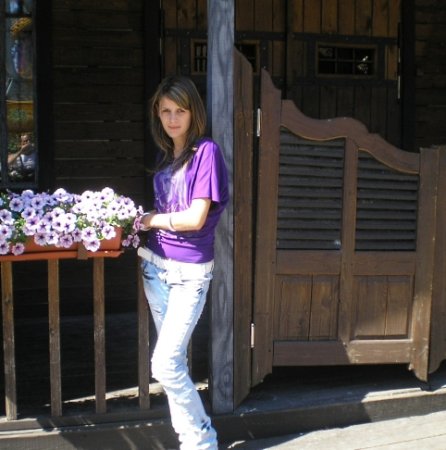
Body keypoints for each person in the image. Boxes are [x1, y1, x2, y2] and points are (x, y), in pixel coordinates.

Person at [138, 75, 228, 450]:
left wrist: (149, 220)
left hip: (188, 274)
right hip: (155, 267)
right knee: (174, 365)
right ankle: (190, 441)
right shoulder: (166, 158)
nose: (173, 119)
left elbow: (194, 218)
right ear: (158, 115)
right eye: (165, 111)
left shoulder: (206, 152)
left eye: (180, 110)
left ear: (194, 113)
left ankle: (203, 441)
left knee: (164, 364)